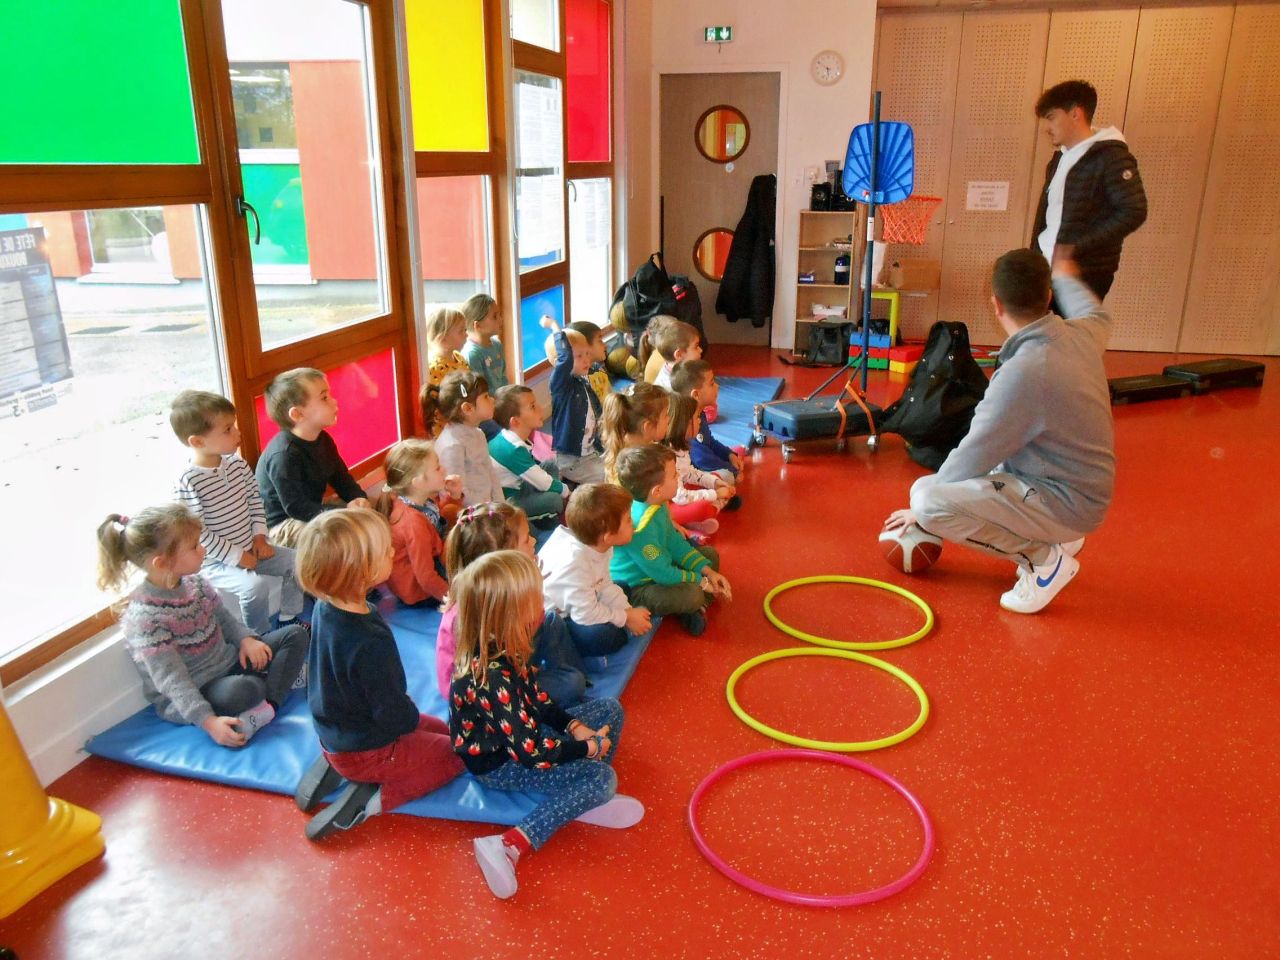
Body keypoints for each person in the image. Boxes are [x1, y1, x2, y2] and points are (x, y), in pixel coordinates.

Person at [883, 250, 1112, 614]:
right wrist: (1067, 276)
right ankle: (1060, 538)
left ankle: (1043, 562)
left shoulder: (1023, 371)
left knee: (928, 500)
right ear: (1048, 296)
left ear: (996, 303)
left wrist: (921, 513)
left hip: (1065, 501)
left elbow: (975, 453)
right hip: (1081, 490)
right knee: (936, 487)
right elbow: (1098, 314)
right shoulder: (1081, 334)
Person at [449, 550, 644, 899]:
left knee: (610, 710)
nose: (541, 603)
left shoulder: (505, 644)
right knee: (602, 778)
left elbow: (538, 700)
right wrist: (587, 748)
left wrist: (574, 727)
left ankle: (580, 794)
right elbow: (531, 753)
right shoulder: (491, 676)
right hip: (501, 764)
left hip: (524, 738)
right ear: (510, 612)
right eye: (534, 598)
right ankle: (508, 844)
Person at [293, 509, 465, 840]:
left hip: (336, 731)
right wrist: (409, 718)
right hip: (367, 747)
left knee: (447, 730)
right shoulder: (368, 641)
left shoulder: (326, 606)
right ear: (361, 572)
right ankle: (371, 799)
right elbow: (394, 715)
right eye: (385, 550)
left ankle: (340, 766)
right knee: (458, 752)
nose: (392, 551)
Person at [97, 504, 309, 748]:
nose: (203, 549)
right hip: (201, 686)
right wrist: (208, 722)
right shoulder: (146, 618)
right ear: (162, 562)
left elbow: (226, 620)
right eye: (194, 546)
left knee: (295, 634)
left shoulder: (196, 583)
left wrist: (246, 640)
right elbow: (172, 680)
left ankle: (268, 707)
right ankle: (277, 682)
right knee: (247, 689)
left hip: (229, 661)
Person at [170, 389, 304, 634]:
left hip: (252, 546)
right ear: (197, 442)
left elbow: (255, 502)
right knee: (254, 588)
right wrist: (237, 556)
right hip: (217, 562)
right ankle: (259, 636)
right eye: (227, 430)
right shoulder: (188, 481)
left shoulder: (237, 465)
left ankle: (289, 618)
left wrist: (259, 537)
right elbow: (198, 533)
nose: (237, 432)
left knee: (298, 561)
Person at [435, 502, 589, 706]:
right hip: (489, 689)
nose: (534, 541)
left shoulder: (504, 588)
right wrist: (524, 673)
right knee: (571, 684)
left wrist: (532, 589)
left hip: (513, 655)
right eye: (526, 539)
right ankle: (564, 690)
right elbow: (489, 675)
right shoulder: (475, 613)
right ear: (504, 560)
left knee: (552, 621)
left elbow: (533, 623)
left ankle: (570, 681)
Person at [1031, 80, 1146, 308]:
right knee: (1043, 328)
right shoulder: (1061, 158)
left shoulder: (1111, 157)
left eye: (1052, 117)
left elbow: (1134, 210)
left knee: (1070, 331)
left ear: (1075, 114)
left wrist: (1074, 248)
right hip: (1048, 266)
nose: (1047, 127)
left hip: (1082, 273)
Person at [609, 444, 731, 636]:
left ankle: (696, 607)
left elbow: (674, 543)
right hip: (639, 586)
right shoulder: (640, 528)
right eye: (674, 475)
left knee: (710, 556)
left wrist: (707, 571)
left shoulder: (658, 503)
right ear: (657, 490)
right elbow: (664, 574)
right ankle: (695, 605)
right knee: (693, 594)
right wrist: (701, 581)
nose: (678, 477)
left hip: (659, 565)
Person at [255, 367, 369, 548]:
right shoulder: (284, 455)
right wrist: (345, 510)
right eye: (324, 398)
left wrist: (359, 498)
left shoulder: (323, 439)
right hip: (284, 524)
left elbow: (341, 478)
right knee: (341, 538)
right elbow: (295, 507)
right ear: (297, 414)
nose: (334, 401)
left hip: (311, 510)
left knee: (370, 516)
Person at [538, 483, 653, 658]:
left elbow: (604, 583)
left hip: (580, 601)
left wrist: (628, 611)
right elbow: (585, 614)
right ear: (609, 536)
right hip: (555, 621)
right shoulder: (575, 564)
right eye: (629, 520)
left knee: (622, 587)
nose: (634, 524)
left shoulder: (599, 544)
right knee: (605, 637)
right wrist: (626, 618)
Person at [372, 439, 451, 607]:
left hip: (426, 574)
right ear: (418, 482)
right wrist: (456, 599)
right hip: (421, 592)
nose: (444, 470)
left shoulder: (419, 500)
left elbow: (436, 523)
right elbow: (426, 577)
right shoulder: (413, 523)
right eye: (437, 468)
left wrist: (454, 497)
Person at [488, 384, 566, 529]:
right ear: (515, 421)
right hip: (510, 500)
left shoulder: (510, 437)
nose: (540, 409)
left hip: (520, 484)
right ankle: (544, 522)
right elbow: (544, 482)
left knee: (551, 464)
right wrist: (568, 493)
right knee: (555, 500)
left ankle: (543, 511)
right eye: (533, 407)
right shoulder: (513, 450)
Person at [433, 370, 504, 507]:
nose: (492, 400)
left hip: (490, 508)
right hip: (473, 513)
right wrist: (488, 511)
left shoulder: (478, 433)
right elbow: (457, 493)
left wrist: (501, 506)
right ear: (467, 408)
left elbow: (491, 472)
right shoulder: (452, 446)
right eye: (486, 397)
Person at [548, 328, 607, 485]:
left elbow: (596, 412)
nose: (586, 360)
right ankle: (571, 484)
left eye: (587, 354)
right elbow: (565, 357)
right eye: (579, 356)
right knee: (608, 477)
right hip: (572, 460)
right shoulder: (561, 386)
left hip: (591, 451)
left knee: (620, 464)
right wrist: (554, 327)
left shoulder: (581, 380)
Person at [670, 359, 744, 484]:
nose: (717, 386)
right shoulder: (688, 424)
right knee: (728, 476)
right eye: (712, 383)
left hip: (700, 462)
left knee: (735, 457)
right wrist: (732, 470)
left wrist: (729, 454)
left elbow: (709, 442)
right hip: (691, 471)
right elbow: (701, 459)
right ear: (696, 395)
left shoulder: (700, 413)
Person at [600, 381, 670, 482]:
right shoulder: (634, 469)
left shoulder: (642, 443)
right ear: (648, 427)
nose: (669, 419)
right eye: (666, 415)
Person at [420, 306, 473, 437]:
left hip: (464, 419)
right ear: (443, 339)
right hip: (447, 429)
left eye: (465, 330)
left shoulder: (459, 358)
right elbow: (440, 405)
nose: (466, 334)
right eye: (461, 331)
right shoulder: (434, 368)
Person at [460, 293, 509, 392]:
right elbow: (480, 390)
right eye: (495, 317)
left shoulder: (497, 345)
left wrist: (507, 395)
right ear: (478, 325)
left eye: (499, 314)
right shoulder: (472, 354)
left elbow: (503, 377)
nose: (501, 319)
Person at [640, 316, 702, 389]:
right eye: (696, 347)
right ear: (679, 354)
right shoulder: (673, 387)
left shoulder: (673, 363)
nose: (701, 350)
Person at [567, 320, 612, 409]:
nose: (605, 345)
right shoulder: (578, 383)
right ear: (585, 346)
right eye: (600, 340)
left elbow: (610, 395)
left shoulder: (598, 368)